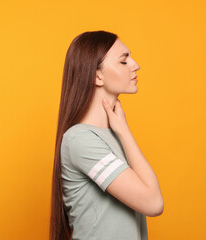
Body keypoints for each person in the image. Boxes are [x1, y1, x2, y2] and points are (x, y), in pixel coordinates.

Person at [50, 30, 164, 240]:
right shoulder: (80, 140)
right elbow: (153, 203)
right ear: (97, 76)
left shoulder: (112, 135)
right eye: (123, 61)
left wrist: (122, 130)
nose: (135, 65)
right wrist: (125, 132)